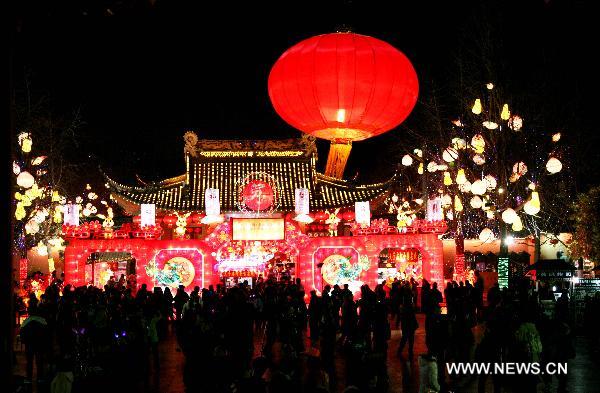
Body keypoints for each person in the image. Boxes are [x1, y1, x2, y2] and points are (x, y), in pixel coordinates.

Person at [20, 304, 50, 384]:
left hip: (29, 345)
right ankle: (40, 377)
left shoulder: (26, 322)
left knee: (29, 362)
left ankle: (29, 378)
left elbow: (22, 334)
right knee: (39, 361)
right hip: (40, 344)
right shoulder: (43, 321)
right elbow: (47, 334)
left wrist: (24, 342)